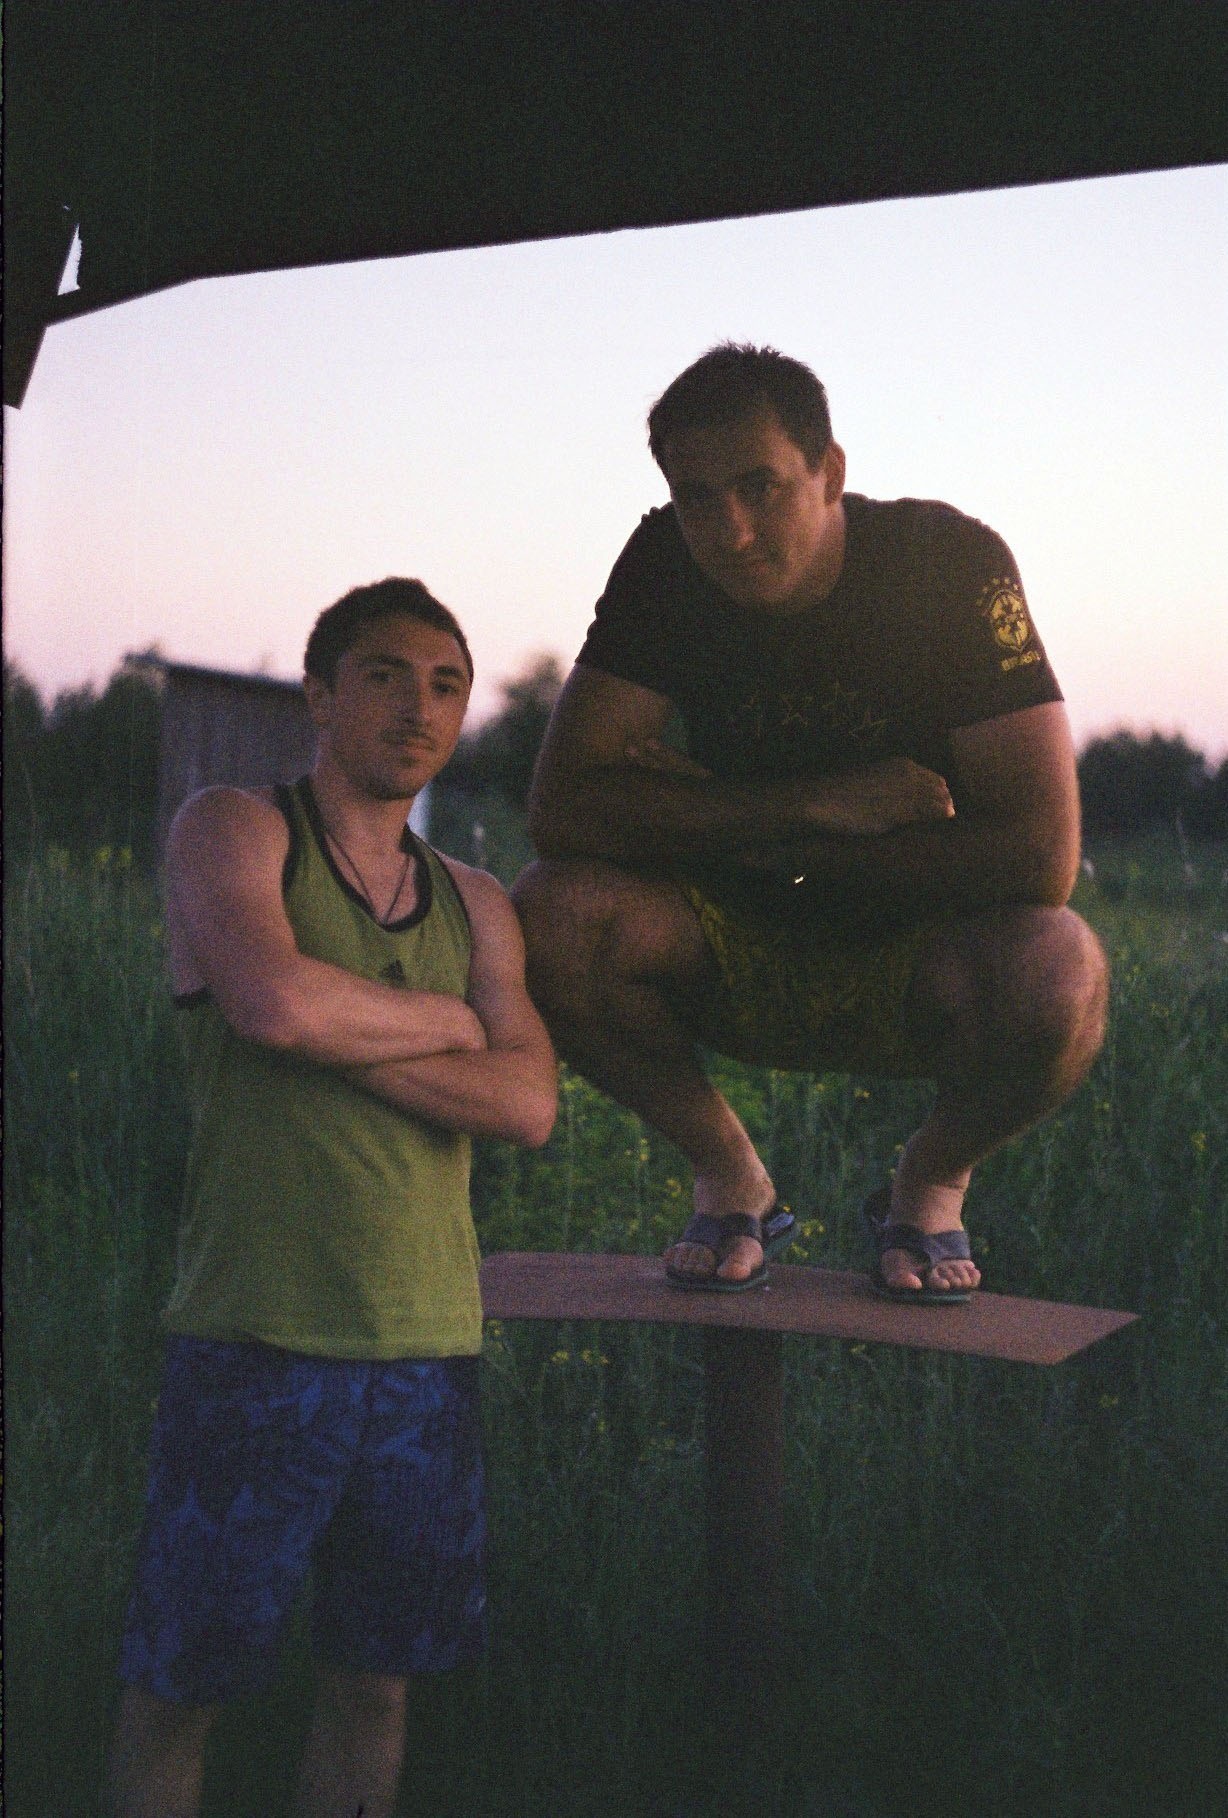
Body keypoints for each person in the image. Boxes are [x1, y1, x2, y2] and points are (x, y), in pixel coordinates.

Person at [514, 343, 1107, 1300]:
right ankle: (729, 1176)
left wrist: (768, 845)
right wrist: (814, 805)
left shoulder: (946, 563)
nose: (731, 531)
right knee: (553, 912)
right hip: (729, 937)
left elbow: (1042, 856)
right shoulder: (663, 564)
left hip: (919, 954)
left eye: (760, 486)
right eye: (697, 497)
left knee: (1059, 967)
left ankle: (929, 1184)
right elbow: (563, 808)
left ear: (829, 471)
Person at [110, 578, 557, 1818]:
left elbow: (528, 1103)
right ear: (317, 694)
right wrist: (449, 1024)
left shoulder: (475, 901)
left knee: (374, 1688)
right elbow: (271, 1005)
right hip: (256, 1337)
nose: (419, 707)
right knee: (178, 1691)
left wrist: (337, 1029)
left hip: (426, 1351)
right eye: (384, 674)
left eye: (446, 685)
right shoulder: (235, 830)